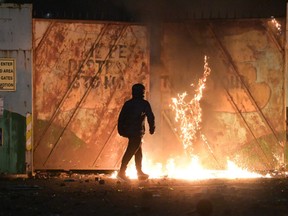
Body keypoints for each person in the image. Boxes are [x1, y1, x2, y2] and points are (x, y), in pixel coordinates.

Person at [117, 83, 155, 182]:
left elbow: (121, 117)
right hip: (137, 132)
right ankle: (122, 172)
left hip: (130, 131)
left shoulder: (128, 103)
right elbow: (151, 116)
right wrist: (152, 127)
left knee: (138, 152)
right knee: (131, 151)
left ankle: (139, 172)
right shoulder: (144, 104)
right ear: (142, 92)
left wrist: (121, 129)